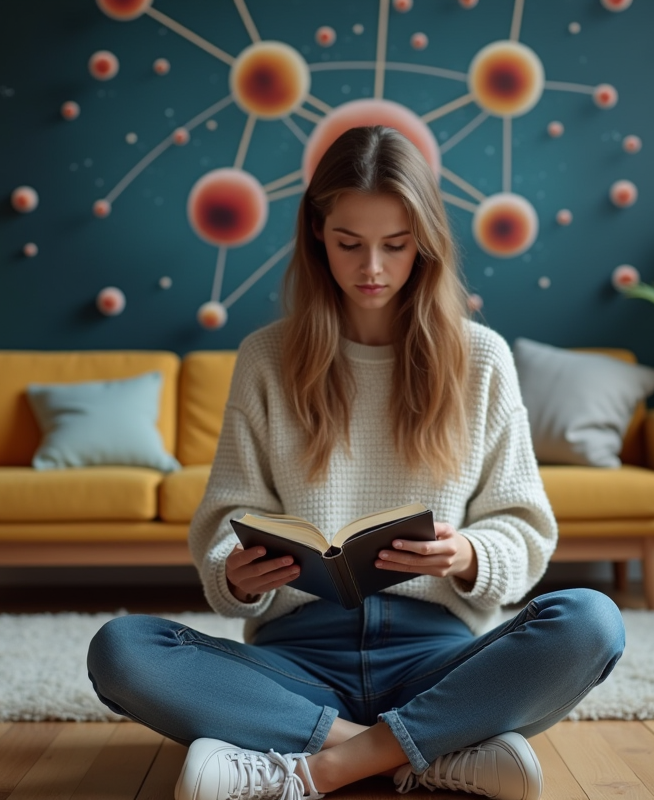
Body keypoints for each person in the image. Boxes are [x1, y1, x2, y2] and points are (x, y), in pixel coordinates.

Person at [87, 125, 625, 800]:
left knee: (592, 622)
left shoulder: (480, 358)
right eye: (350, 243)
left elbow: (522, 524)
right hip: (294, 660)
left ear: (424, 241)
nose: (372, 266)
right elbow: (226, 518)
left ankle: (314, 763)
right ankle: (422, 753)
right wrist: (241, 575)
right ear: (317, 234)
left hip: (439, 657)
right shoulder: (266, 359)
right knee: (120, 650)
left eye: (396, 245)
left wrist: (466, 556)